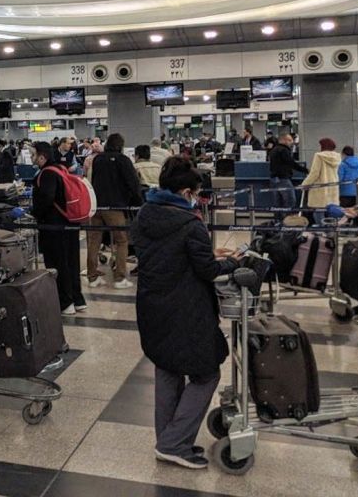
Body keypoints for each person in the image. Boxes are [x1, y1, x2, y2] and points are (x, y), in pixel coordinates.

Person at [131, 157, 241, 470]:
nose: (196, 197)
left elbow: (165, 254)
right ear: (184, 191)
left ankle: (168, 440)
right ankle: (174, 443)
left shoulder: (144, 215)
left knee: (167, 368)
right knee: (207, 373)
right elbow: (206, 270)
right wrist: (232, 262)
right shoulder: (189, 222)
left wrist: (206, 250)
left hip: (152, 306)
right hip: (185, 309)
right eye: (194, 192)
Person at [33, 142, 86, 314]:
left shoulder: (46, 173)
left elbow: (47, 198)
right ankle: (77, 299)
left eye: (34, 155)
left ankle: (65, 302)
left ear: (42, 157)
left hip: (54, 226)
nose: (32, 158)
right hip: (70, 222)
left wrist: (35, 213)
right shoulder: (62, 169)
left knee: (57, 262)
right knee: (71, 261)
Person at [86, 134, 142, 290]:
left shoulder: (98, 159)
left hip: (97, 206)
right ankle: (120, 278)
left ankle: (92, 277)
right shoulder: (123, 160)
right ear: (121, 146)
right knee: (121, 241)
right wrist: (138, 202)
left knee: (94, 240)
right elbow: (133, 183)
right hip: (115, 207)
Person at [300, 138, 341, 223]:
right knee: (331, 211)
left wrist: (304, 184)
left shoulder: (319, 156)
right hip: (332, 187)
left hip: (320, 188)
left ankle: (321, 231)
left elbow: (314, 173)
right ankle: (331, 231)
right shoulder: (337, 157)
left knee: (319, 212)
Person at [268, 132, 308, 216]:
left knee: (277, 203)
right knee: (290, 201)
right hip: (283, 179)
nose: (291, 142)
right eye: (289, 140)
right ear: (284, 140)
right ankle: (287, 222)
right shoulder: (284, 150)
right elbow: (291, 163)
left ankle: (278, 222)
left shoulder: (273, 150)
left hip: (274, 179)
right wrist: (305, 170)